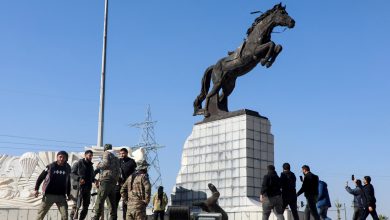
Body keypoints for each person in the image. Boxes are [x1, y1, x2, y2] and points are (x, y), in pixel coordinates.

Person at [34, 151, 71, 220]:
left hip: (61, 196)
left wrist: (68, 194)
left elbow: (68, 182)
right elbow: (41, 177)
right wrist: (36, 189)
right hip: (49, 195)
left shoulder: (67, 168)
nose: (62, 159)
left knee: (65, 216)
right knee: (40, 215)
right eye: (60, 157)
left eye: (64, 157)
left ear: (66, 159)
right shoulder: (50, 166)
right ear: (57, 157)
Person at [91, 144, 120, 220]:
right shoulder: (116, 157)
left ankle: (96, 216)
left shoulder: (106, 153)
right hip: (114, 181)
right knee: (111, 201)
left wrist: (98, 165)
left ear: (105, 149)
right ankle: (113, 217)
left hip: (106, 179)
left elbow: (105, 163)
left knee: (100, 198)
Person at [69, 150, 96, 220]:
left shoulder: (91, 166)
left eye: (91, 156)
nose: (91, 157)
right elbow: (71, 174)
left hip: (87, 189)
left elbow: (92, 177)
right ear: (85, 155)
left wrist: (95, 180)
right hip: (79, 188)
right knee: (76, 205)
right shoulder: (78, 164)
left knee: (86, 206)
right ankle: (72, 218)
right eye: (89, 155)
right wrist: (79, 179)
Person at [115, 148, 137, 220]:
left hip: (127, 186)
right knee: (114, 203)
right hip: (118, 185)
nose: (122, 155)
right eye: (121, 153)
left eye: (123, 153)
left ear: (127, 153)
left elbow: (134, 174)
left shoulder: (131, 162)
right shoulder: (118, 161)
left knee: (126, 204)